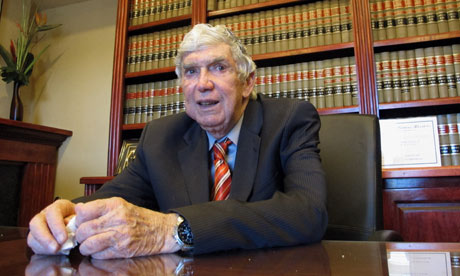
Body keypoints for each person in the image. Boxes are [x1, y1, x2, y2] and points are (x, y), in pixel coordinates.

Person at [27, 24, 328, 259]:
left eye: (219, 68)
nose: (203, 84)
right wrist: (66, 214)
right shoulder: (160, 137)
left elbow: (308, 213)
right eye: (191, 72)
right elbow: (113, 198)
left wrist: (176, 230)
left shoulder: (290, 120)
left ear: (247, 82)